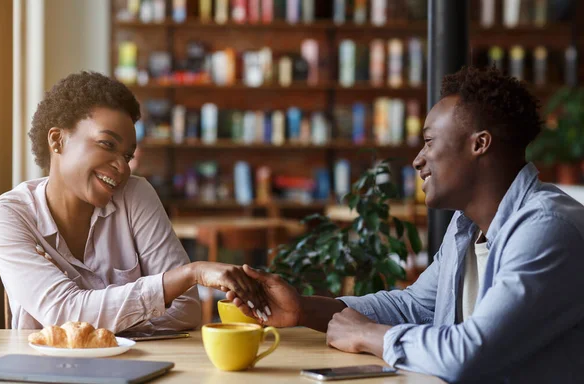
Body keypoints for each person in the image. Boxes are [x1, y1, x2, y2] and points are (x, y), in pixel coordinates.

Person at [230, 66, 584, 383]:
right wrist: (302, 308)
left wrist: (371, 336)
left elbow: (470, 352)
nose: (418, 159)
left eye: (429, 141)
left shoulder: (547, 229)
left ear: (480, 144)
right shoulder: (467, 227)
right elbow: (413, 307)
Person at [0, 72, 269, 332]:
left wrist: (102, 322)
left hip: (139, 368)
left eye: (127, 155)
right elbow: (63, 312)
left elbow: (186, 311)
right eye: (107, 144)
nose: (122, 167)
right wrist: (188, 274)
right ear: (57, 140)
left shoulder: (135, 195)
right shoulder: (5, 217)